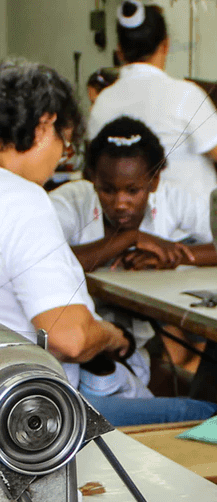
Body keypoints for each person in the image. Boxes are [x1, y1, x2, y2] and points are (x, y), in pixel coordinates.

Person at [0, 60, 216, 426]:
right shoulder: (20, 198)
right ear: (45, 126)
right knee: (203, 415)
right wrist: (111, 337)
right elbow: (71, 339)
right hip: (24, 415)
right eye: (66, 142)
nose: (61, 156)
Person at [51, 115, 216, 375]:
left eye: (133, 190)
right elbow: (47, 260)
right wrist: (129, 238)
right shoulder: (71, 201)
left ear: (154, 181)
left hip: (132, 342)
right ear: (92, 178)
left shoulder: (173, 199)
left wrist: (173, 257)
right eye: (107, 190)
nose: (120, 202)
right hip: (79, 347)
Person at [89, 1, 217, 196]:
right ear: (166, 45)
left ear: (119, 51)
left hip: (125, 222)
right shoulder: (185, 95)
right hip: (189, 225)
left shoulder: (101, 104)